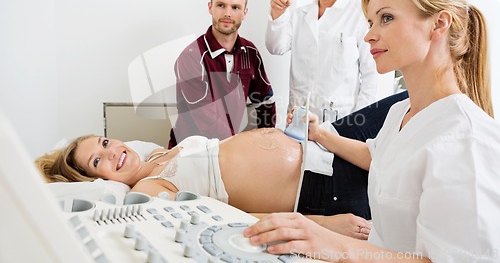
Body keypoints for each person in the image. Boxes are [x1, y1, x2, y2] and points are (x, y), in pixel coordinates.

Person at [244, 0, 500, 263]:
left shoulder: (468, 140)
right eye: (370, 22)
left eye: (386, 18)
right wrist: (321, 135)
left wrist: (332, 242)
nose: (368, 35)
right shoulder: (400, 112)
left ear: (438, 24)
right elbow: (379, 156)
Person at [35, 92, 408, 240]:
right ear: (94, 178)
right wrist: (323, 225)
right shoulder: (147, 192)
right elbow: (224, 220)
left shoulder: (153, 156)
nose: (112, 152)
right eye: (97, 162)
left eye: (103, 143)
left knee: (419, 97)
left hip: (326, 140)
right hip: (323, 188)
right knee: (417, 182)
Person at [266, 0, 378, 122]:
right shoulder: (300, 16)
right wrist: (278, 15)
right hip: (298, 119)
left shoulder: (360, 14)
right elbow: (275, 47)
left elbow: (370, 75)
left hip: (341, 121)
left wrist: (358, 121)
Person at [168, 0, 276, 148]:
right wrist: (243, 148)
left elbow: (264, 101)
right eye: (221, 5)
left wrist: (268, 141)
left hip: (229, 152)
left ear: (244, 12)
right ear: (210, 8)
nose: (227, 13)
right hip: (191, 154)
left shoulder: (250, 52)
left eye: (235, 7)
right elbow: (207, 121)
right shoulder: (191, 57)